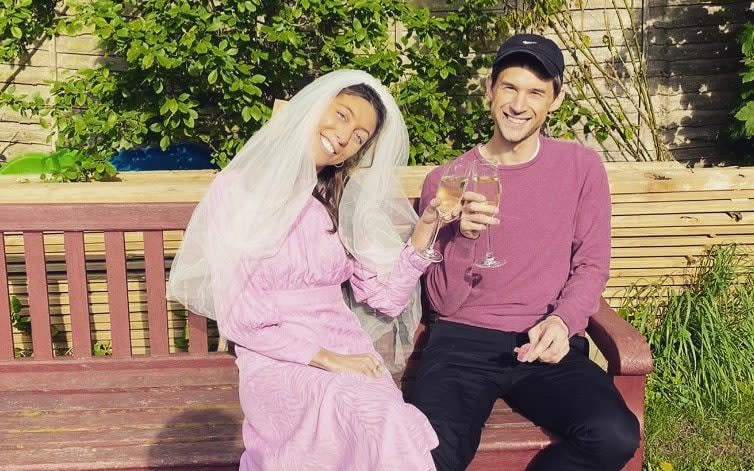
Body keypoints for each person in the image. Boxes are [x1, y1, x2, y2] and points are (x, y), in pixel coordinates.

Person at [167, 69, 439, 470]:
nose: (345, 137)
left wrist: (427, 226)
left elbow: (384, 297)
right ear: (313, 108)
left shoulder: (339, 199)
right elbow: (240, 317)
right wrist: (325, 359)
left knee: (385, 420)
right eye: (342, 115)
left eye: (360, 137)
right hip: (278, 356)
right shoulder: (238, 189)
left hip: (348, 346)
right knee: (364, 415)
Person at [409, 34, 641, 471]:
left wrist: (563, 320)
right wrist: (461, 239)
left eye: (535, 91)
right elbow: (440, 301)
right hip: (462, 343)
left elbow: (591, 264)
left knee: (613, 435)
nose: (519, 104)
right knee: (429, 456)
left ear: (555, 100)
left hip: (544, 341)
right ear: (490, 91)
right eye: (509, 88)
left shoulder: (579, 167)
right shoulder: (452, 177)